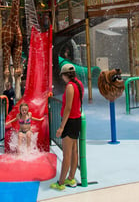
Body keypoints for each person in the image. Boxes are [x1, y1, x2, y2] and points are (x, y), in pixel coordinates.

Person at [50, 63, 84, 191]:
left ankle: (61, 182)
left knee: (67, 155)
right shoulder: (79, 84)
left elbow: (68, 108)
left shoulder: (70, 86)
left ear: (65, 75)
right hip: (77, 120)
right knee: (74, 151)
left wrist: (61, 127)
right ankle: (71, 178)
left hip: (70, 122)